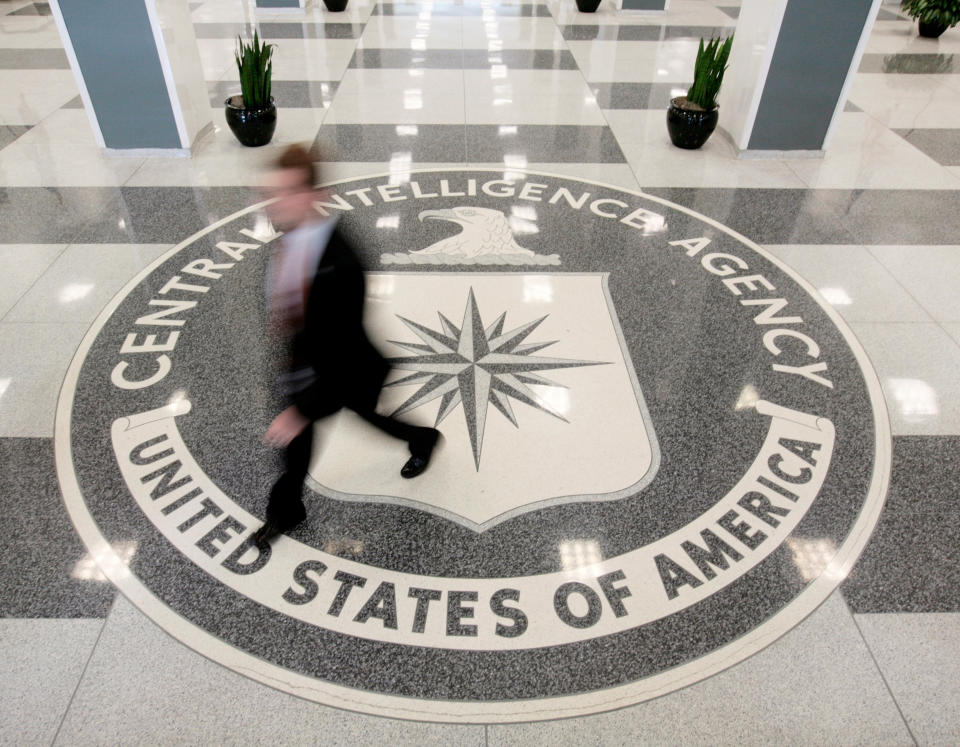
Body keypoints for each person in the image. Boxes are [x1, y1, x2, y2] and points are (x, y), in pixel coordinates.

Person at [252, 144, 439, 548]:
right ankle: (286, 513)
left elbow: (343, 352)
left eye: (285, 193)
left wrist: (299, 411)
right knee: (295, 452)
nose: (274, 203)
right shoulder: (289, 236)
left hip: (346, 370)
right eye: (272, 193)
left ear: (311, 196)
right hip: (306, 364)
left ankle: (423, 439)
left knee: (368, 419)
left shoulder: (343, 264)